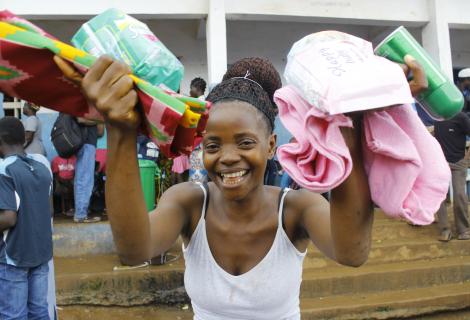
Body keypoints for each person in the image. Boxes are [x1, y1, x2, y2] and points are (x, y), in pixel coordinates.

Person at [54, 53, 426, 319]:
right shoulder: (189, 203)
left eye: (245, 143)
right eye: (213, 146)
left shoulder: (296, 209)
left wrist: (350, 121)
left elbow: (352, 253)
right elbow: (134, 250)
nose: (227, 157)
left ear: (270, 146)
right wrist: (119, 129)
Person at [0, 117, 53, 319]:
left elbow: (8, 218)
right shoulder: (42, 167)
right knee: (39, 311)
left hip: (14, 257)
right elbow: (48, 211)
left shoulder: (5, 169)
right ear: (23, 139)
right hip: (40, 253)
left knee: (13, 315)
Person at [434, 111, 470, 241]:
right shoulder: (436, 116)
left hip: (458, 161)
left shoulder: (461, 117)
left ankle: (464, 230)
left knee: (460, 195)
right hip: (440, 162)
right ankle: (445, 230)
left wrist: (467, 157)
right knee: (439, 196)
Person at [73, 118, 103, 223]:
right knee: (85, 180)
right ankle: (81, 214)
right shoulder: (88, 105)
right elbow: (81, 120)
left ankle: (80, 212)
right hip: (87, 144)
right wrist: (100, 120)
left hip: (85, 143)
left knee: (82, 179)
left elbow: (100, 132)